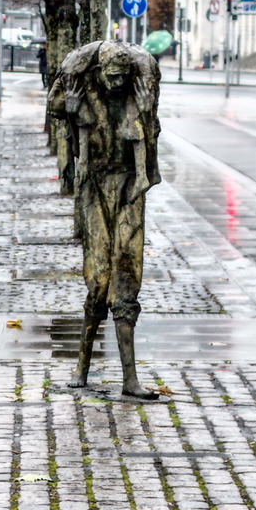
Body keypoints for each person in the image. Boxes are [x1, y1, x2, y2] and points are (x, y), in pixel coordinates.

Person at [52, 40, 163, 399]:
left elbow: (149, 133)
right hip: (95, 187)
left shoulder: (138, 93)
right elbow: (58, 109)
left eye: (122, 76)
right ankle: (82, 366)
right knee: (98, 276)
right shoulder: (82, 88)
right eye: (111, 76)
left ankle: (130, 378)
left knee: (128, 272)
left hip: (129, 186)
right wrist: (71, 108)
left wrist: (146, 110)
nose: (116, 83)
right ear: (99, 72)